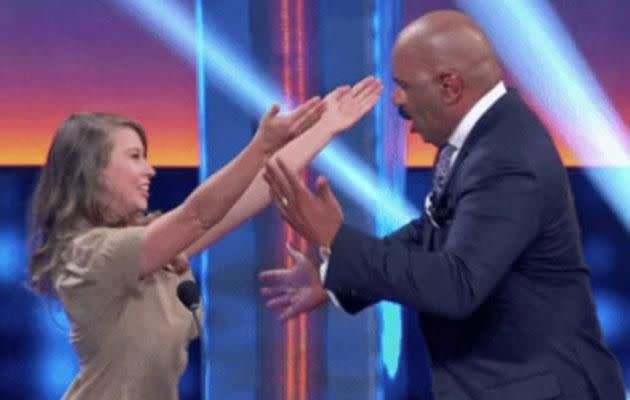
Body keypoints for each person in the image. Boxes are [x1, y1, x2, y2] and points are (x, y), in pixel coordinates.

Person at [259, 10, 626, 400]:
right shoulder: (480, 137)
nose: (397, 100)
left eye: (404, 86)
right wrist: (337, 275)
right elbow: (429, 233)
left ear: (450, 86)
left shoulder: (506, 156)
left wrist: (336, 238)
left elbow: (457, 285)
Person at [27, 76, 383, 399]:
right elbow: (198, 215)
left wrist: (325, 129)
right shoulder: (91, 253)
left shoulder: (147, 241)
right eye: (135, 157)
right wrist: (259, 147)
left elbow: (248, 195)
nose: (150, 170)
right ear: (95, 173)